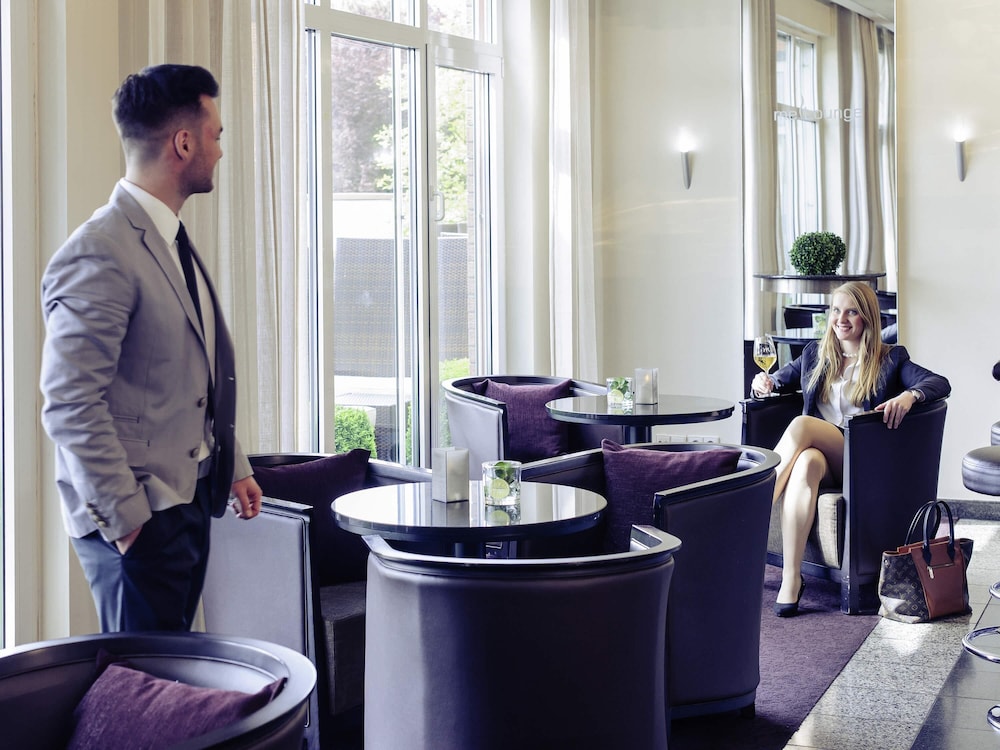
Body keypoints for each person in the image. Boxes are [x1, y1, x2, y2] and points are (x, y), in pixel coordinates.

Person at [39, 64, 262, 632]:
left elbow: (186, 371)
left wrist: (231, 464)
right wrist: (128, 522)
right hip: (139, 518)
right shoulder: (100, 251)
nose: (220, 150)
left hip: (188, 502)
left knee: (173, 677)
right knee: (142, 682)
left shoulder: (170, 239)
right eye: (215, 135)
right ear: (183, 143)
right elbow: (69, 402)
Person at [751, 281, 950, 617]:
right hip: (827, 461)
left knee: (802, 426)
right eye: (836, 311)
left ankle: (751, 508)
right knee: (807, 462)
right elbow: (776, 382)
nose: (841, 319)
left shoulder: (890, 358)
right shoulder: (815, 354)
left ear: (867, 317)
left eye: (852, 312)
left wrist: (909, 395)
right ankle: (791, 578)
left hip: (861, 462)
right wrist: (762, 383)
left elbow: (938, 383)